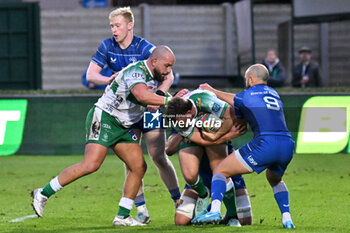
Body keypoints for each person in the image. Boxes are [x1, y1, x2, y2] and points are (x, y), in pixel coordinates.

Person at [31, 46, 180, 227]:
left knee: (138, 166)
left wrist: (177, 98)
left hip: (123, 126)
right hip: (106, 117)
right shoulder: (136, 71)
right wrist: (169, 101)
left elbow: (154, 96)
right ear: (154, 61)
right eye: (167, 66)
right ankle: (43, 193)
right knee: (91, 164)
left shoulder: (156, 75)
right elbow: (141, 95)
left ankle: (122, 216)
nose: (168, 71)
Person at [86, 7, 181, 223]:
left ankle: (178, 201)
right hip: (125, 112)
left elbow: (168, 75)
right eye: (111, 26)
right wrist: (111, 78)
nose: (114, 30)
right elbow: (91, 75)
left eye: (117, 25)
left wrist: (157, 96)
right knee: (132, 162)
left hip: (150, 107)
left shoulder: (144, 47)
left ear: (130, 25)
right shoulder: (107, 45)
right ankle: (141, 211)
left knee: (158, 155)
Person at [193, 64, 296, 229]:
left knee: (220, 170)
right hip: (287, 145)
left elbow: (235, 101)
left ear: (250, 79)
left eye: (246, 79)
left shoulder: (248, 94)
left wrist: (212, 90)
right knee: (274, 179)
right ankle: (287, 218)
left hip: (266, 144)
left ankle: (215, 210)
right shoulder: (274, 94)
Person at [165, 132, 252, 226]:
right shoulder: (183, 120)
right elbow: (169, 150)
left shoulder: (219, 118)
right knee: (181, 220)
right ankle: (205, 200)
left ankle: (229, 214)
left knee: (244, 220)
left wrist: (216, 132)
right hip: (201, 174)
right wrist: (186, 132)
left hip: (226, 170)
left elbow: (237, 128)